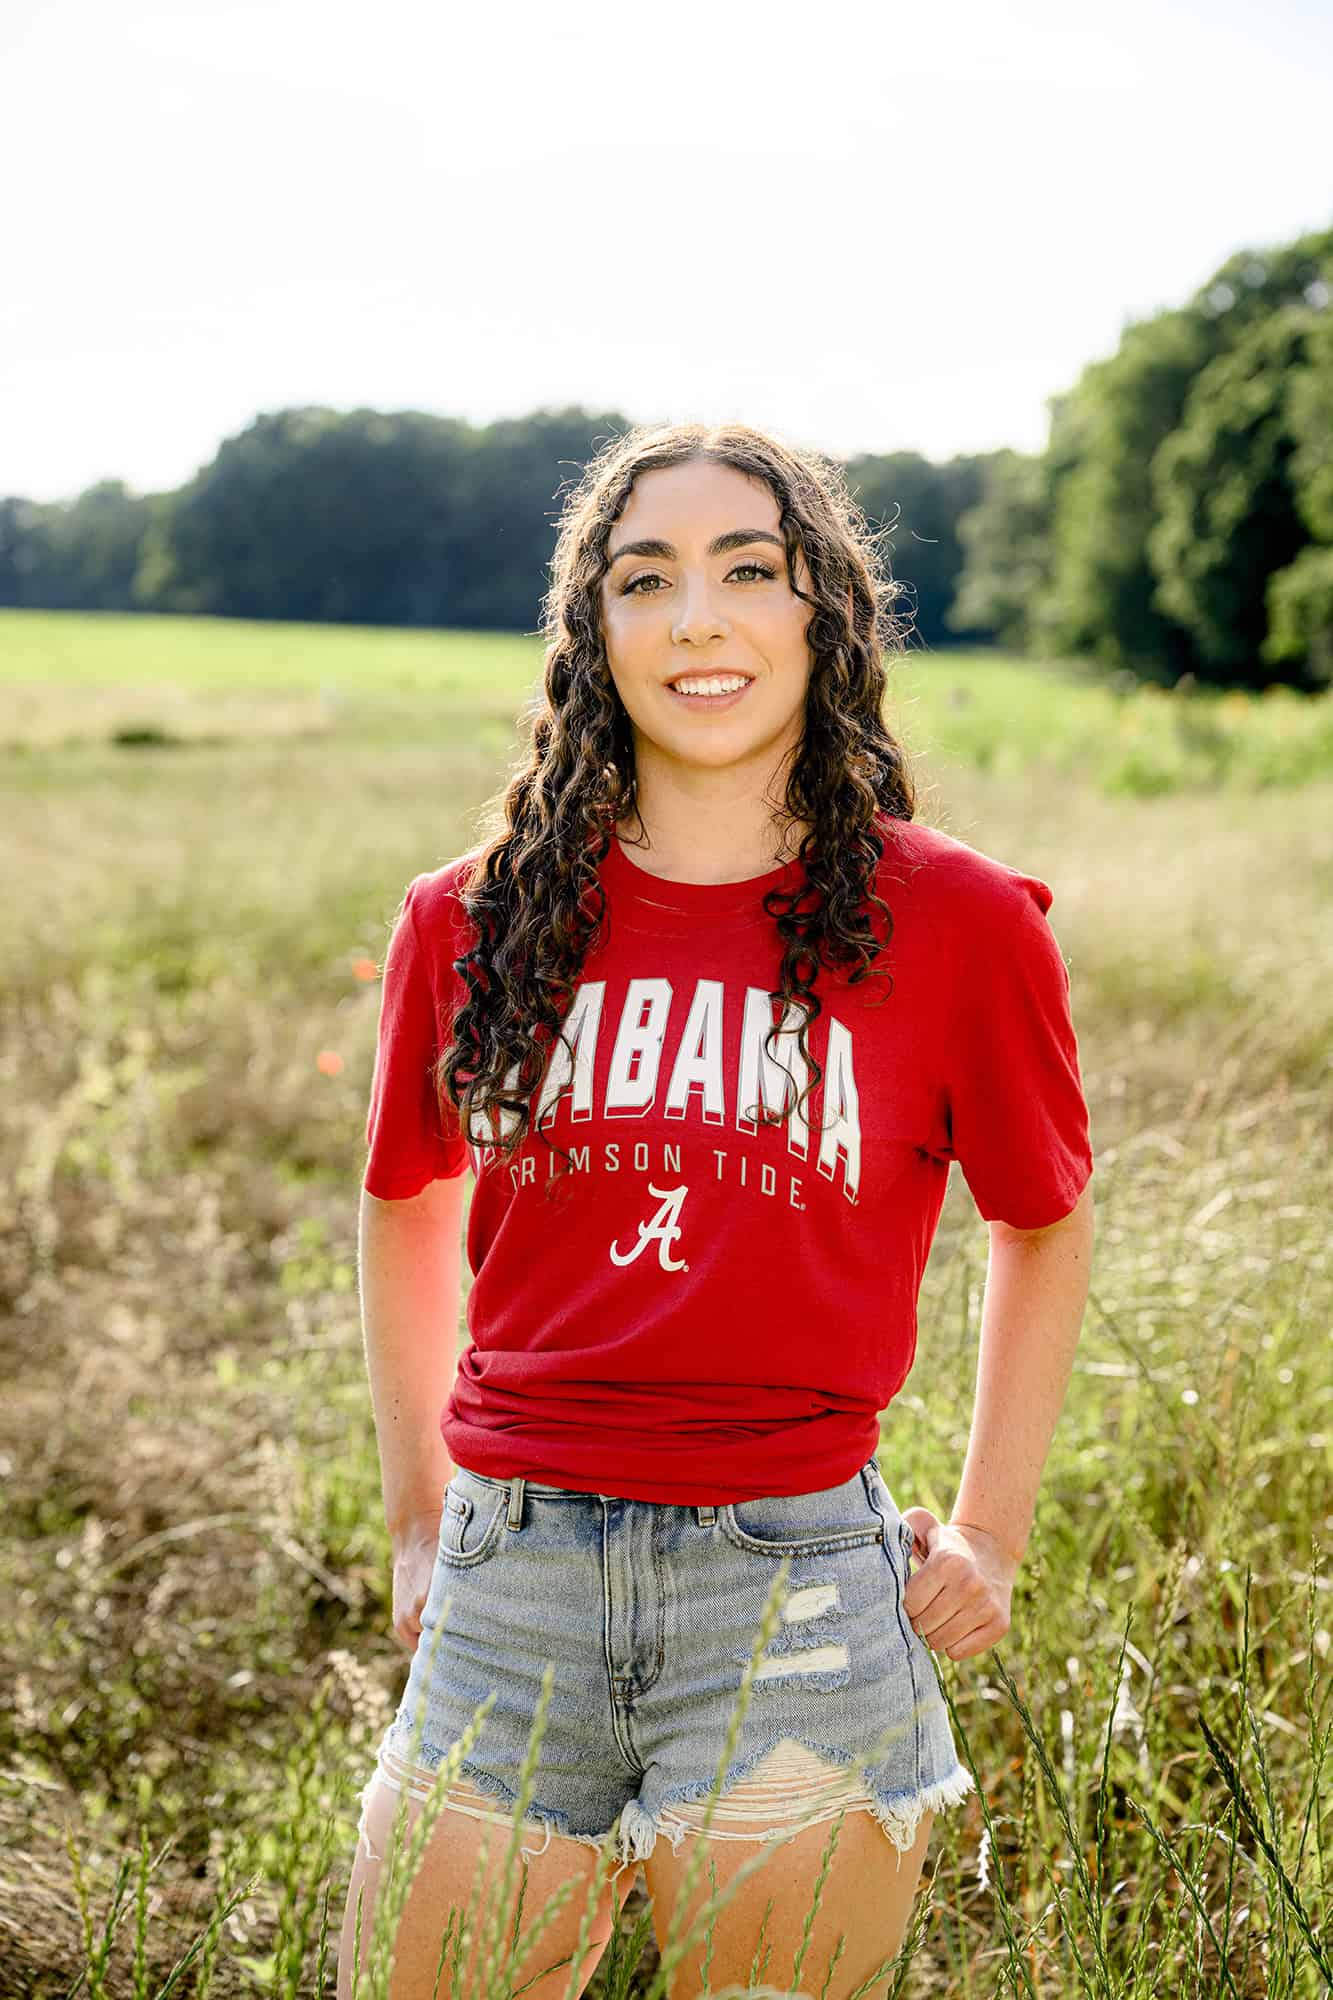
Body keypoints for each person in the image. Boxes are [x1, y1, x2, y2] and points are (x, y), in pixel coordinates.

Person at [336, 422, 1095, 2000]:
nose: (696, 619)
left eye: (749, 570)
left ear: (824, 613)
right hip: (512, 1578)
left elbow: (1043, 1218)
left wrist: (994, 1529)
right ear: (589, 632)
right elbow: (404, 1196)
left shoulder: (952, 920)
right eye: (644, 579)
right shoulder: (469, 920)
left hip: (796, 1592)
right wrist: (419, 1515)